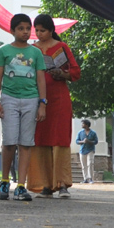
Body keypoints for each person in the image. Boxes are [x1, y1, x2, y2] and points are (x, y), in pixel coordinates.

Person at [0, 12, 47, 202]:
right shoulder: (4, 51)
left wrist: (42, 103)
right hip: (9, 99)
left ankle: (21, 186)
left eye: (27, 29)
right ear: (12, 30)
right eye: (20, 29)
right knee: (9, 142)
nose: (25, 32)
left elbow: (41, 78)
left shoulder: (36, 53)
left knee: (25, 143)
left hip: (31, 100)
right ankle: (4, 181)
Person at [28, 14, 80, 198]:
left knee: (59, 140)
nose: (39, 34)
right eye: (37, 30)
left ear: (51, 30)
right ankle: (45, 185)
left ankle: (62, 184)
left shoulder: (62, 47)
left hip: (59, 99)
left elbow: (75, 71)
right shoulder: (32, 49)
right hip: (38, 99)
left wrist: (62, 73)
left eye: (43, 30)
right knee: (40, 139)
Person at [76, 120, 98, 184]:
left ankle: (90, 178)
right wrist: (82, 141)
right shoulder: (80, 133)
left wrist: (89, 141)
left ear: (86, 124)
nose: (82, 125)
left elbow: (96, 141)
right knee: (83, 165)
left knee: (90, 163)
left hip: (90, 150)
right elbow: (77, 141)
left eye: (83, 124)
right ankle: (85, 178)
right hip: (82, 150)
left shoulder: (93, 133)